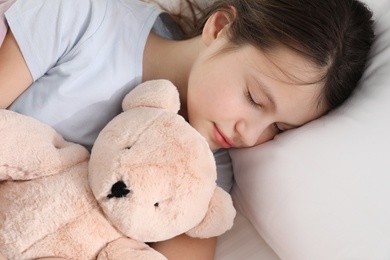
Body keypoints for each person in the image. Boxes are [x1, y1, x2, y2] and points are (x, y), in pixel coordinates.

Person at [0, 0, 375, 259]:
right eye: (255, 99)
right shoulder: (81, 20)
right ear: (220, 27)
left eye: (278, 127)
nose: (250, 135)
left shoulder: (207, 169)